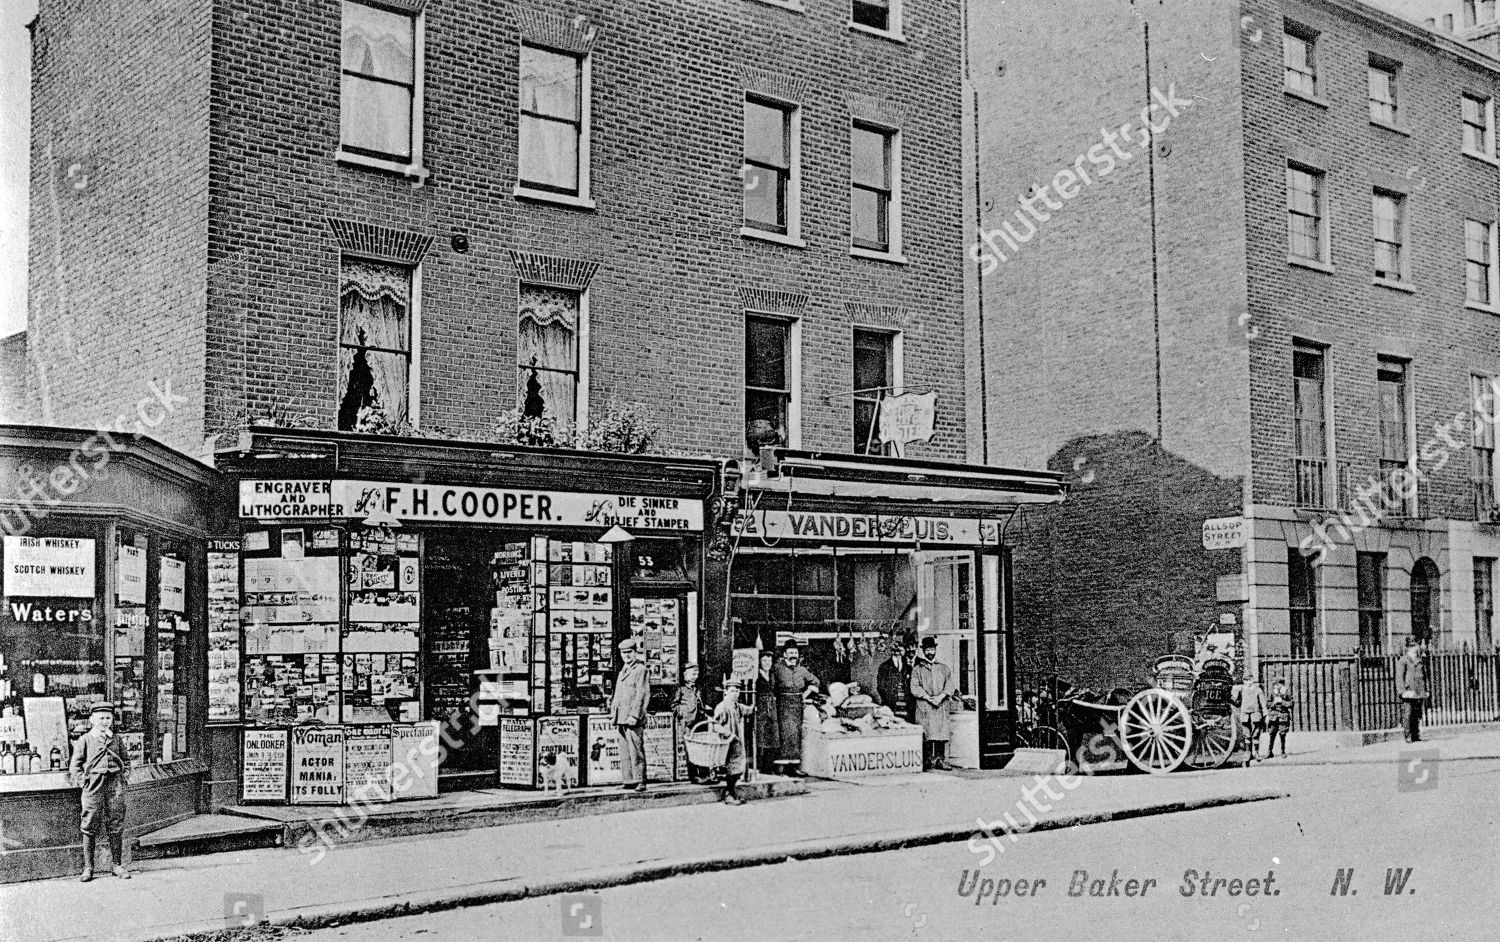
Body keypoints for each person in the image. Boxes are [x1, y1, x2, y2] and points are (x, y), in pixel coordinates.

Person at [68, 702, 130, 882]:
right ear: (92, 720)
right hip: (93, 787)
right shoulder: (85, 739)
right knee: (89, 824)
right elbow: (75, 766)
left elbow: (125, 761)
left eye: (108, 718)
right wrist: (84, 782)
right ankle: (88, 868)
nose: (104, 722)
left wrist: (124, 778)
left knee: (116, 822)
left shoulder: (116, 739)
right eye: (101, 718)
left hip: (114, 786)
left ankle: (117, 865)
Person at [771, 639, 819, 777]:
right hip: (782, 705)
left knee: (796, 736)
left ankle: (793, 768)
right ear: (785, 654)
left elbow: (815, 681)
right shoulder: (777, 668)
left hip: (797, 705)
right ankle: (781, 768)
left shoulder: (802, 670)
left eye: (795, 653)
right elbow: (772, 687)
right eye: (790, 652)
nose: (793, 655)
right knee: (784, 735)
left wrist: (805, 694)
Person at [610, 638, 651, 793]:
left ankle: (640, 780)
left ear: (635, 652)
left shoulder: (640, 670)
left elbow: (642, 694)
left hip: (633, 718)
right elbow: (618, 694)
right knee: (624, 750)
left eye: (629, 652)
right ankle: (628, 780)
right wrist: (613, 714)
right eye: (623, 653)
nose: (626, 655)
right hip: (621, 717)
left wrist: (635, 715)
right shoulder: (623, 671)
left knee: (636, 750)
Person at [910, 637, 956, 771]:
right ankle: (928, 760)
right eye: (927, 649)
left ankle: (940, 760)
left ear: (935, 649)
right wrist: (929, 698)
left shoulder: (943, 668)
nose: (930, 652)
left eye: (932, 649)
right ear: (923, 651)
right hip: (925, 706)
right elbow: (915, 688)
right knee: (928, 734)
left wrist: (940, 697)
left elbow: (950, 686)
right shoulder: (917, 669)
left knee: (941, 734)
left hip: (940, 706)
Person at [711, 678, 755, 805]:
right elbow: (715, 725)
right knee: (729, 768)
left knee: (736, 767)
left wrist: (754, 701)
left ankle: (732, 792)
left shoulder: (737, 705)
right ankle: (728, 794)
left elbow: (748, 710)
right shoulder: (722, 706)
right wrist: (729, 734)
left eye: (737, 691)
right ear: (725, 692)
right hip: (727, 742)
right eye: (732, 691)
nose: (735, 693)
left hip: (736, 742)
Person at [671, 663, 708, 784]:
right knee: (691, 749)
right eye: (693, 673)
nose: (695, 676)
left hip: (701, 721)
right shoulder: (680, 688)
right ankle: (693, 776)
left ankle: (704, 774)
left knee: (702, 747)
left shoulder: (699, 688)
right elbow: (674, 705)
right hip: (688, 722)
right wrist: (682, 712)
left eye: (697, 673)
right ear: (685, 674)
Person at [1398, 637, 1428, 743]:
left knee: (1417, 713)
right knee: (1408, 714)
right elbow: (1399, 677)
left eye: (1416, 645)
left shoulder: (1420, 660)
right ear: (1410, 647)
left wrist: (1426, 690)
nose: (1417, 647)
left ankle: (1416, 735)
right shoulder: (1403, 660)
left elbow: (1424, 676)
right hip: (1408, 691)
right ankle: (1408, 735)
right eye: (1415, 645)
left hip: (1418, 691)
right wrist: (1402, 691)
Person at [1233, 672, 1268, 761]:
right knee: (1247, 734)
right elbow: (1236, 700)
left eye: (1249, 680)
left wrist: (1266, 714)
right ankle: (1248, 752)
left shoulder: (1258, 690)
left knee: (1256, 734)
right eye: (1245, 680)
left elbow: (1263, 703)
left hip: (1255, 714)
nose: (1247, 682)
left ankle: (1256, 752)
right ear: (1243, 681)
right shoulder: (1241, 690)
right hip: (1245, 714)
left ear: (1252, 680)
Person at [754, 650, 779, 774]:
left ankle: (769, 766)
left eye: (769, 661)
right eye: (764, 660)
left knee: (773, 737)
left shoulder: (773, 675)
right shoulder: (756, 675)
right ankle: (760, 766)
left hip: (772, 707)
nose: (767, 663)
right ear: (759, 662)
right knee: (761, 737)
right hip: (761, 707)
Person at [876, 641, 913, 722]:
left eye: (900, 650)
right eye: (895, 650)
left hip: (906, 706)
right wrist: (889, 699)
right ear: (892, 651)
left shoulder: (908, 667)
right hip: (891, 704)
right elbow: (880, 686)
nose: (898, 653)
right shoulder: (884, 666)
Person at [1266, 678, 1293, 758]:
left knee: (1282, 734)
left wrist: (1282, 702)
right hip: (1273, 716)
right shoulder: (1272, 692)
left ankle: (1283, 751)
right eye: (1276, 684)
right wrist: (1274, 703)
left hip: (1283, 716)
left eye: (1279, 684)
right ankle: (1270, 751)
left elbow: (1291, 704)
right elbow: (1267, 704)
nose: (1277, 686)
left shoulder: (1287, 692)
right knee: (1272, 734)